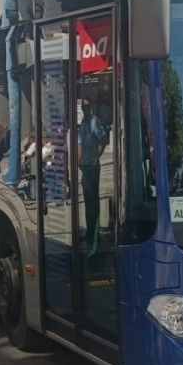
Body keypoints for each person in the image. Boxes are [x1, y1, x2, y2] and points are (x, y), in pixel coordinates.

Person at [78, 98, 108, 252]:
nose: (85, 108)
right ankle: (90, 231)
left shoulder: (94, 122)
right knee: (88, 201)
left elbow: (104, 139)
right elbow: (80, 143)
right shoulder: (83, 123)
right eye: (83, 106)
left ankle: (94, 234)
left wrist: (97, 156)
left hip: (93, 166)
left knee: (93, 202)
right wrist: (79, 159)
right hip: (85, 166)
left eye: (87, 106)